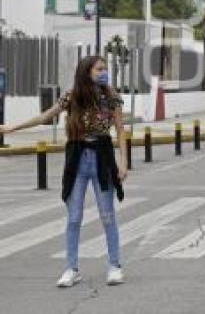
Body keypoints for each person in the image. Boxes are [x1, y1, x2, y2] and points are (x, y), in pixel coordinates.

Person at [0, 56, 128, 287]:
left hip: (102, 156)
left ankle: (114, 265)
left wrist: (123, 161)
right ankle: (71, 269)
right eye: (99, 69)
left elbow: (120, 130)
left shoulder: (112, 97)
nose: (104, 72)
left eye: (105, 69)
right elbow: (46, 116)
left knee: (107, 215)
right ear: (86, 71)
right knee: (74, 217)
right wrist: (12, 127)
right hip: (77, 158)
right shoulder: (72, 96)